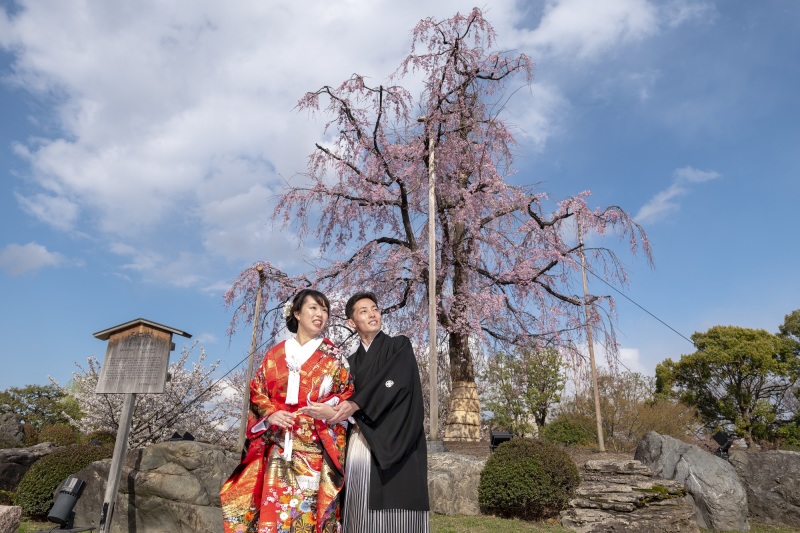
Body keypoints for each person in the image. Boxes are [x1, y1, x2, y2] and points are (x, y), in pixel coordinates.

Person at [221, 289, 354, 533]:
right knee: (274, 513)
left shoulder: (334, 356)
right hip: (279, 447)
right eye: (313, 307)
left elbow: (347, 393)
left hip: (314, 450)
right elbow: (257, 391)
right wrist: (271, 414)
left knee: (308, 515)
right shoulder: (274, 355)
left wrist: (330, 409)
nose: (320, 314)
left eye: (324, 310)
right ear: (297, 313)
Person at [329, 291, 430, 532]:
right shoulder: (348, 362)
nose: (372, 314)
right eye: (363, 311)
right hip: (362, 439)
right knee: (360, 502)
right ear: (351, 322)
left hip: (399, 435)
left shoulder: (399, 346)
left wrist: (357, 403)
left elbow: (398, 380)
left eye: (375, 309)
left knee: (400, 505)